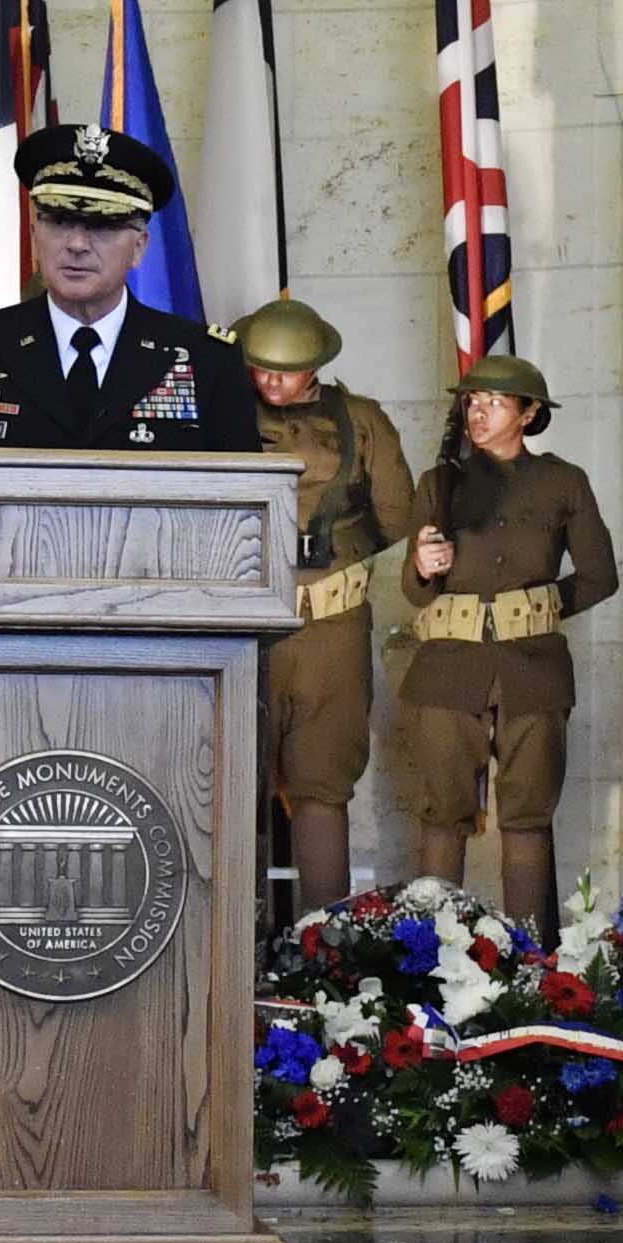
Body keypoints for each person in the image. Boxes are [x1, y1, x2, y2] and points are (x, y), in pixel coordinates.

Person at [391, 354, 620, 928]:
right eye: (472, 401)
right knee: (442, 815)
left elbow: (600, 576)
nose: (479, 412)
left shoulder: (562, 482)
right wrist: (423, 565)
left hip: (532, 670)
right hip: (446, 670)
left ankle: (531, 963)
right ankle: (432, 956)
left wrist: (531, 610)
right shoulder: (438, 482)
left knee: (527, 817)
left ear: (529, 413)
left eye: (494, 402)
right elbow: (414, 593)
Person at [0, 124, 264, 454]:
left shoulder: (206, 359)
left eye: (100, 226)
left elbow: (247, 506)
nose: (76, 244)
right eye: (59, 221)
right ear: (34, 234)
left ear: (140, 247)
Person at [239, 295, 414, 904]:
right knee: (236, 784)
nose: (269, 382)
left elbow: (399, 517)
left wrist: (332, 550)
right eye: (259, 369)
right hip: (244, 627)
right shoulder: (219, 414)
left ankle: (322, 950)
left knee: (322, 787)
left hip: (331, 625)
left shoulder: (361, 420)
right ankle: (238, 953)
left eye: (283, 372)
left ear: (314, 366)